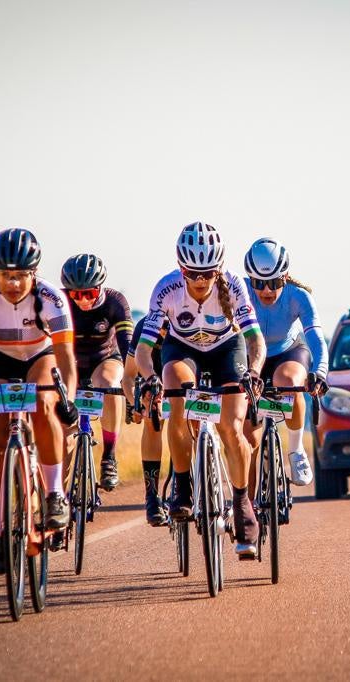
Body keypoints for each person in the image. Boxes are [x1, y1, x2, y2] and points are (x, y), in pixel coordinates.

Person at [0, 228, 78, 576]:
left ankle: (53, 496)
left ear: (32, 273)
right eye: (7, 275)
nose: (14, 284)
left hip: (40, 355)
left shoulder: (52, 298)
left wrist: (68, 397)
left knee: (43, 404)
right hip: (0, 360)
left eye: (21, 276)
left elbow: (65, 355)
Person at [134, 221, 267, 559]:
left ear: (218, 269)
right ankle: (182, 485)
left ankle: (241, 503)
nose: (200, 280)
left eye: (207, 273)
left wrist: (253, 372)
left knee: (231, 426)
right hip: (183, 351)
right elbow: (144, 351)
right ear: (181, 269)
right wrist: (150, 377)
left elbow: (256, 341)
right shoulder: (166, 290)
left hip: (227, 349)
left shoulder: (234, 286)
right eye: (193, 274)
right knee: (175, 395)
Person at [241, 237, 329, 487]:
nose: (267, 290)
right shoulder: (241, 292)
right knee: (249, 442)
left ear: (285, 277)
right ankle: (246, 508)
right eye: (259, 283)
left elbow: (315, 337)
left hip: (288, 351)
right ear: (250, 279)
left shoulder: (298, 296)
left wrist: (319, 372)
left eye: (274, 282)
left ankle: (296, 448)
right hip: (251, 357)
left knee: (289, 381)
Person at [60, 254, 133, 491]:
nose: (82, 301)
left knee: (108, 381)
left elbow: (127, 346)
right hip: (71, 362)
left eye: (88, 294)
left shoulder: (115, 302)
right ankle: (57, 496)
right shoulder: (58, 301)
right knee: (64, 436)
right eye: (76, 294)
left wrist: (132, 383)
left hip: (105, 358)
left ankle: (109, 457)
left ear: (100, 288)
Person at [122, 313, 169, 526]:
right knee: (152, 420)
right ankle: (152, 496)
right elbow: (128, 377)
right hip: (153, 373)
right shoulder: (144, 327)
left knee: (194, 418)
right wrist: (136, 403)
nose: (165, 331)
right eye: (163, 326)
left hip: (185, 369)